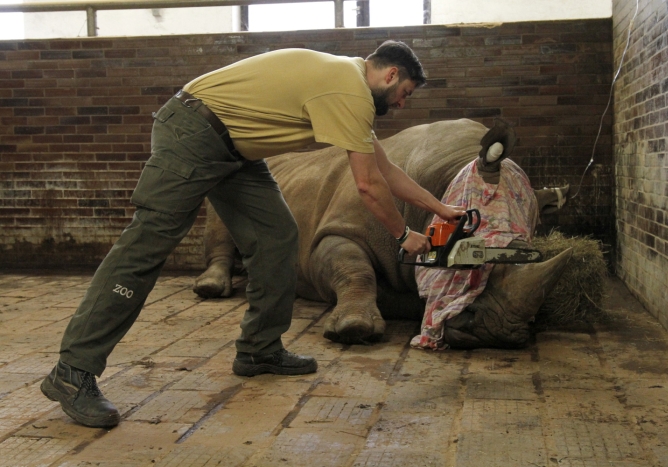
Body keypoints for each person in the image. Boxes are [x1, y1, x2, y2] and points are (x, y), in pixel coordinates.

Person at [40, 40, 466, 428]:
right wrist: (403, 234)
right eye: (405, 93)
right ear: (390, 75)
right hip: (194, 131)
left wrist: (442, 208)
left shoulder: (346, 86)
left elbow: (386, 170)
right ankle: (72, 372)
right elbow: (369, 186)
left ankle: (259, 348)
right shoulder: (349, 89)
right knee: (146, 246)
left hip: (236, 149)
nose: (403, 104)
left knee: (278, 235)